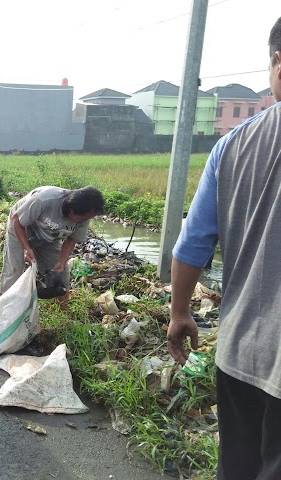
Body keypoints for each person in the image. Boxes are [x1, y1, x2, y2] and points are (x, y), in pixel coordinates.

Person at [167, 18, 281, 480]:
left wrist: (179, 314)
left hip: (237, 354)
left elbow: (193, 243)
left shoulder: (232, 146)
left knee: (237, 468)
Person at [0, 185, 104, 306]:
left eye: (87, 219)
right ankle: (3, 307)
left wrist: (62, 261)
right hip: (22, 225)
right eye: (81, 219)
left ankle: (64, 311)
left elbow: (71, 239)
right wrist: (26, 249)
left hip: (48, 236)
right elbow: (17, 220)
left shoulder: (84, 217)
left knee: (61, 272)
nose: (84, 222)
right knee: (14, 268)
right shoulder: (44, 199)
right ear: (72, 209)